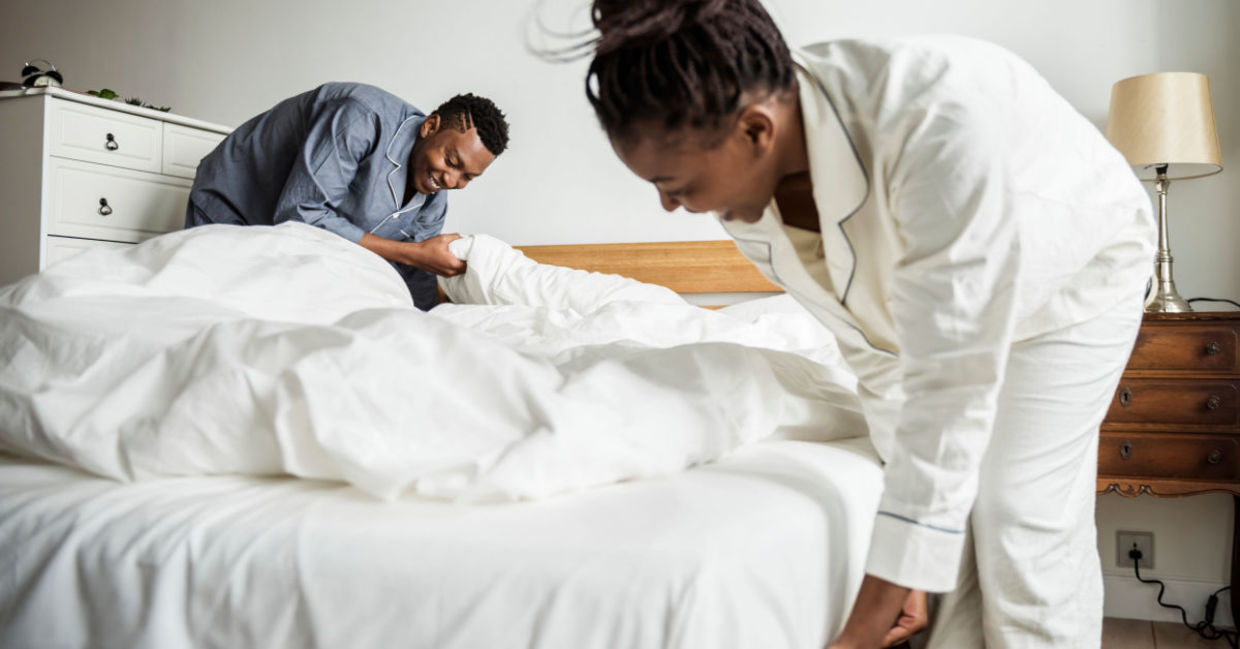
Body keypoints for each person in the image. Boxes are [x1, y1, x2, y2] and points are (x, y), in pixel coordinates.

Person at [578, 1, 1156, 647]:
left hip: (1074, 285)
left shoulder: (930, 120)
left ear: (755, 131)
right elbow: (877, 350)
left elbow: (950, 383)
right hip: (952, 322)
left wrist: (861, 629)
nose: (668, 205)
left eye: (673, 183)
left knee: (1020, 514)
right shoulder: (747, 198)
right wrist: (907, 558)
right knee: (952, 556)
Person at [185, 83, 510, 310]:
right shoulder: (360, 117)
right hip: (235, 204)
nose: (452, 180)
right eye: (451, 161)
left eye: (468, 177)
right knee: (210, 308)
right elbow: (300, 214)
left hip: (288, 243)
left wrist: (426, 323)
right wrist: (411, 253)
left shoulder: (433, 198)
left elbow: (417, 273)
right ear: (430, 126)